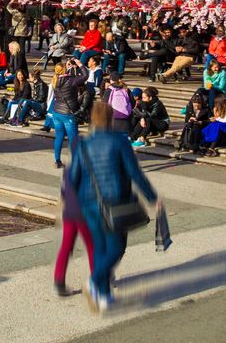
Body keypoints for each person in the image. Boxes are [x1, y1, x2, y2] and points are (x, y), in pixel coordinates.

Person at [66, 101, 161, 313]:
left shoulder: (83, 144)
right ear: (110, 119)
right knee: (117, 248)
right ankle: (94, 282)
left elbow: (72, 178)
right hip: (115, 201)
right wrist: (152, 197)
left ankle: (103, 296)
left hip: (88, 204)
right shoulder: (119, 142)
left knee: (100, 248)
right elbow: (134, 173)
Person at [53, 159, 95, 297]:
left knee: (66, 246)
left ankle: (59, 281)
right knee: (92, 246)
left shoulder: (68, 168)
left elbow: (63, 191)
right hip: (84, 213)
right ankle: (98, 278)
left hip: (69, 213)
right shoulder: (90, 168)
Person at [48, 60, 88, 168]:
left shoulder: (55, 80)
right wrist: (79, 64)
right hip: (68, 113)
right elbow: (85, 75)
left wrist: (69, 67)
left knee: (59, 136)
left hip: (57, 111)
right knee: (73, 139)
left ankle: (57, 160)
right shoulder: (70, 81)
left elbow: (67, 76)